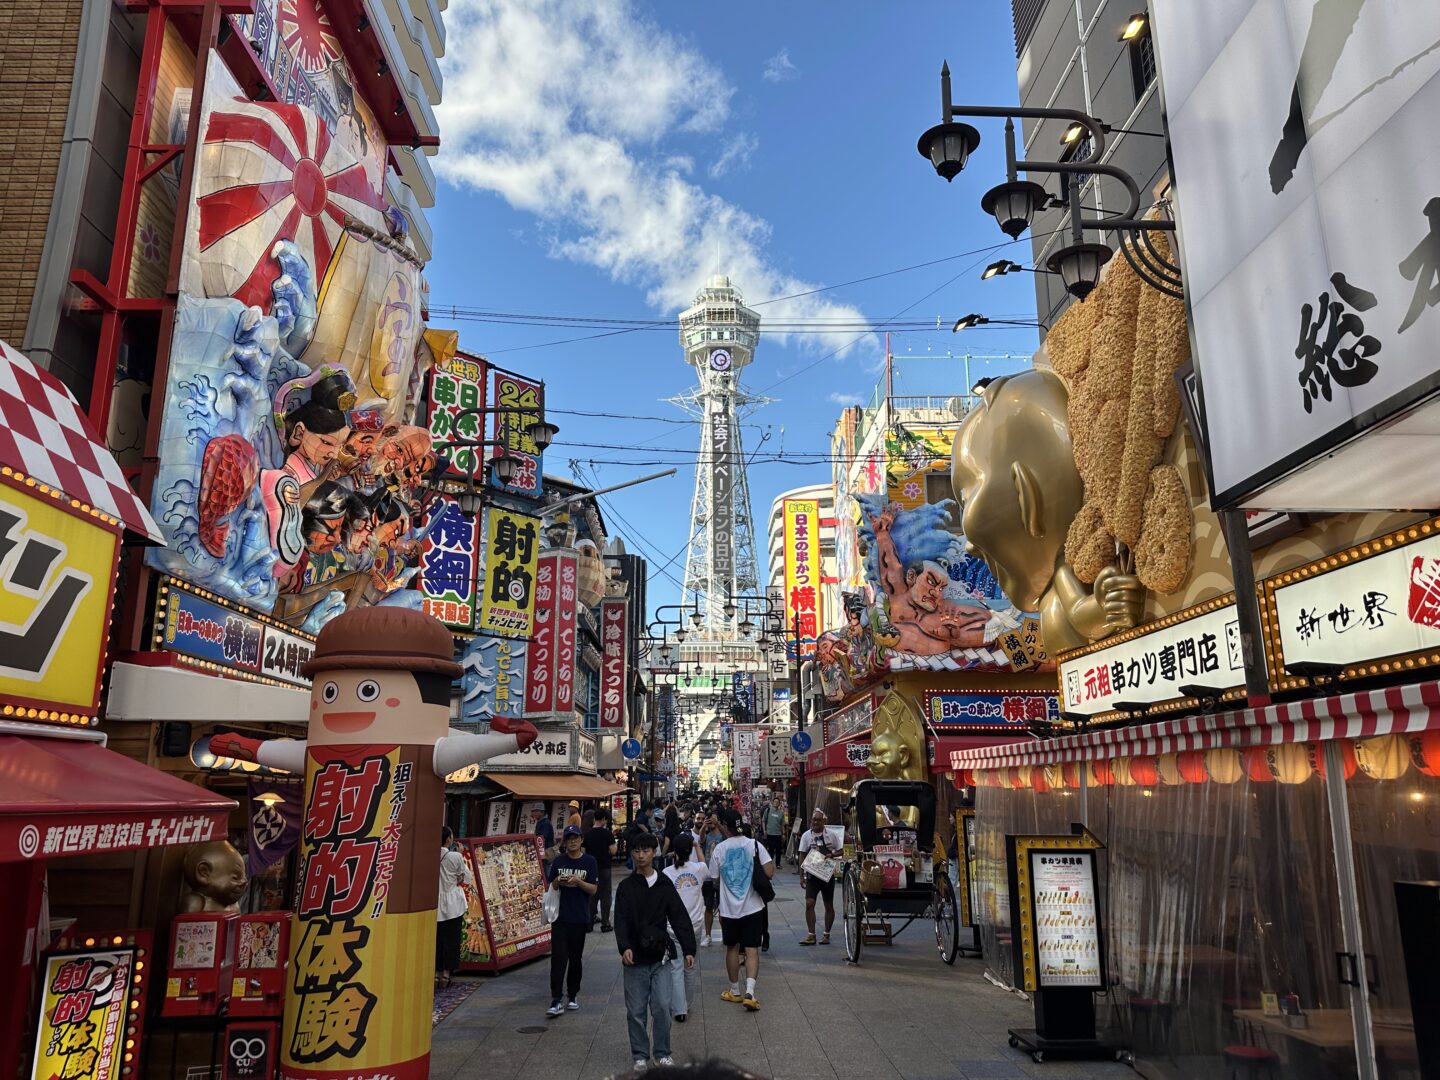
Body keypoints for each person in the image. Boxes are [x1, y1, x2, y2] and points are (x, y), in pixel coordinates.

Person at [614, 832, 696, 1070]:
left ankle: (662, 1052)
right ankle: (640, 1054)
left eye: (645, 851)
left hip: (661, 956)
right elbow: (620, 920)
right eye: (636, 851)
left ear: (654, 853)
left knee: (662, 1005)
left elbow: (678, 915)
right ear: (632, 853)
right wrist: (625, 946)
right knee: (636, 1010)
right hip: (635, 958)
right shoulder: (626, 887)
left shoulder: (663, 883)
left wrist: (688, 948)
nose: (641, 855)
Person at [708, 808, 773, 1011]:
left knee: (732, 948)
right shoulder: (754, 845)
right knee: (752, 949)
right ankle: (750, 993)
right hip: (753, 907)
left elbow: (714, 878)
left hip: (729, 910)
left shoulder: (719, 849)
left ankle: (734, 991)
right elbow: (769, 872)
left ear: (724, 826)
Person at [545, 825, 598, 1017]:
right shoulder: (559, 861)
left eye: (576, 838)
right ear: (565, 841)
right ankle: (556, 998)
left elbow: (593, 889)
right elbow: (551, 885)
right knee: (558, 958)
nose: (573, 841)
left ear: (581, 840)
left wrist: (578, 882)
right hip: (560, 916)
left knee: (575, 958)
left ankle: (573, 994)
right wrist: (559, 880)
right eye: (569, 838)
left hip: (579, 917)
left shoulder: (590, 861)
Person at [662, 834, 708, 1023]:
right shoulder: (698, 869)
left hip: (673, 927)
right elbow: (704, 861)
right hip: (695, 925)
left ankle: (679, 1009)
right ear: (690, 850)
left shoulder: (666, 873)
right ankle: (687, 1004)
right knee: (690, 966)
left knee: (676, 966)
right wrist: (697, 845)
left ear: (674, 851)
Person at [797, 810, 842, 946]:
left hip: (826, 874)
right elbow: (802, 855)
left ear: (824, 821)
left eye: (818, 820)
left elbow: (841, 850)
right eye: (813, 820)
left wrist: (832, 854)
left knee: (828, 905)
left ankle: (826, 934)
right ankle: (811, 935)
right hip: (812, 875)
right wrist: (801, 876)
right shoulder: (806, 836)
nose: (815, 822)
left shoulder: (832, 835)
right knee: (809, 903)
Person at [436, 825, 471, 989]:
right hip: (452, 905)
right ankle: (446, 975)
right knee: (451, 940)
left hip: (435, 904)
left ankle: (436, 974)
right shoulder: (455, 857)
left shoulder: (429, 855)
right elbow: (464, 878)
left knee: (437, 940)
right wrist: (462, 854)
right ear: (449, 839)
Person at [584, 808, 618, 932]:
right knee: (605, 896)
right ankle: (605, 923)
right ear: (603, 819)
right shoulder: (607, 834)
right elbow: (613, 851)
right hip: (605, 868)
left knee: (592, 894)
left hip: (591, 869)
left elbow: (583, 852)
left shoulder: (587, 834)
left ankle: (589, 922)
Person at [762, 794, 786, 866]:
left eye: (777, 802)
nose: (776, 803)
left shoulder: (781, 813)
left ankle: (778, 864)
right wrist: (764, 830)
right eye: (774, 801)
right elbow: (763, 821)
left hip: (778, 834)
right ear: (772, 803)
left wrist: (783, 834)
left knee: (778, 850)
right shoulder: (768, 810)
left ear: (779, 803)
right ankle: (770, 863)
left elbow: (782, 824)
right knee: (770, 850)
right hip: (769, 833)